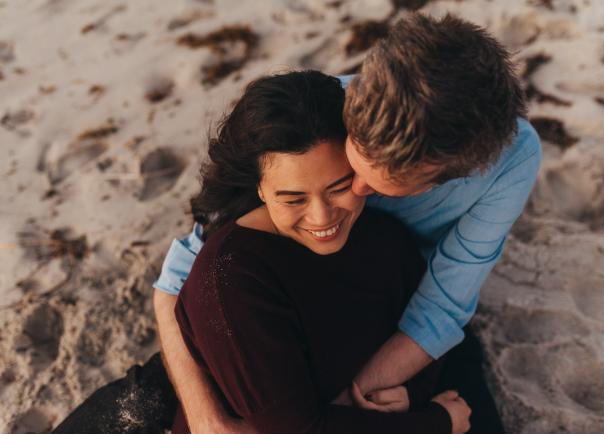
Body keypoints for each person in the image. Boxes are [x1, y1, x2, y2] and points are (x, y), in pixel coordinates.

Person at [153, 13, 540, 434]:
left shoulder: (508, 162)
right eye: (354, 159)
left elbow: (442, 306)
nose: (354, 187)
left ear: (447, 175)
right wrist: (208, 419)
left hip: (398, 306)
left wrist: (354, 406)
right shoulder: (322, 111)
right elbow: (181, 278)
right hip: (302, 307)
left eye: (376, 184)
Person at [52, 70, 479, 434]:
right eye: (293, 198)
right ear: (259, 187)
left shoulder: (384, 235)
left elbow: (430, 335)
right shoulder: (231, 281)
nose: (322, 216)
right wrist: (436, 422)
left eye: (338, 186)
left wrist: (413, 393)